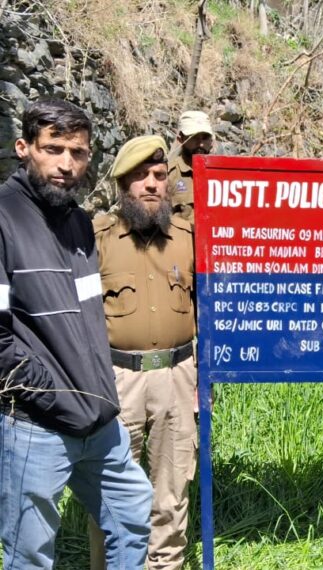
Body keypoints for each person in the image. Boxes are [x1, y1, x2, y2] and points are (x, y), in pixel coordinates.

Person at [0, 99, 152, 568]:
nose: (66, 164)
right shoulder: (5, 219)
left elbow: (85, 323)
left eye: (79, 153)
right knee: (30, 555)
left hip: (100, 421)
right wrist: (50, 396)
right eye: (54, 149)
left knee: (132, 513)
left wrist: (99, 394)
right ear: (24, 148)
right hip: (36, 426)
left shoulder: (79, 222)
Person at [89, 135, 197, 570]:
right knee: (112, 493)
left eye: (159, 175)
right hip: (117, 381)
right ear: (122, 184)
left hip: (179, 375)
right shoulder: (97, 238)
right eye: (140, 177)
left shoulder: (188, 236)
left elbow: (205, 306)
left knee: (172, 493)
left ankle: (165, 565)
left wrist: (202, 378)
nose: (152, 184)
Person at [167, 110, 214, 223]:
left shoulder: (221, 176)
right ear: (180, 139)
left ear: (211, 141)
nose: (201, 144)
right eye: (194, 137)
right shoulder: (168, 175)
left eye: (205, 137)